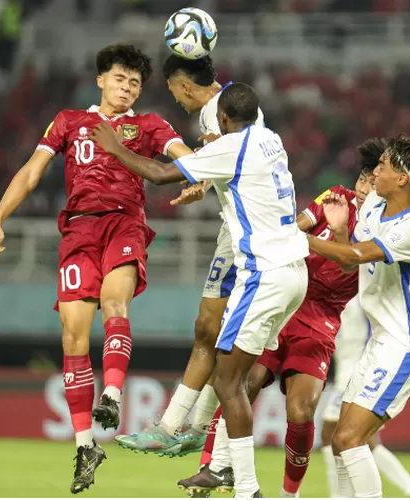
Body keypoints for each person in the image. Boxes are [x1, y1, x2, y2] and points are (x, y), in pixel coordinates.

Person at [0, 44, 194, 494]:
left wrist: (195, 180)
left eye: (135, 83)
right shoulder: (68, 122)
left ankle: (112, 396)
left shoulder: (148, 125)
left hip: (125, 222)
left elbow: (186, 157)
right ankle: (85, 447)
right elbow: (31, 172)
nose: (127, 87)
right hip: (78, 231)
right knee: (73, 335)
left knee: (115, 303)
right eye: (120, 79)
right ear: (101, 80)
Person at [91, 82, 309, 498]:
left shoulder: (231, 147)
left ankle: (244, 486)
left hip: (264, 273)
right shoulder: (270, 139)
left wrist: (115, 147)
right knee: (238, 379)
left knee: (228, 382)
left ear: (224, 119)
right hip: (295, 273)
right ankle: (219, 462)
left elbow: (159, 174)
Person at [176, 139, 382, 498]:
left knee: (301, 411)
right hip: (286, 303)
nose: (364, 189)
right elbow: (293, 226)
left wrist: (337, 231)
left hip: (321, 321)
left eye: (372, 184)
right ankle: (214, 466)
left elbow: (349, 262)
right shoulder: (335, 196)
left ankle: (289, 494)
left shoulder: (383, 227)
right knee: (241, 379)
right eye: (363, 180)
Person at [115, 55, 265, 458]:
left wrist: (113, 147)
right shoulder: (232, 107)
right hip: (236, 230)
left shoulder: (221, 113)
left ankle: (190, 433)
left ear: (182, 86)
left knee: (217, 339)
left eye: (172, 90)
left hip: (247, 239)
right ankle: (189, 429)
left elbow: (168, 172)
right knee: (211, 332)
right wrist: (202, 181)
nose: (176, 100)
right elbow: (220, 167)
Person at [307, 134, 410, 498]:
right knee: (340, 439)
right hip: (381, 341)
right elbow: (351, 261)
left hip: (406, 346)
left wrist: (293, 236)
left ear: (402, 179)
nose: (374, 171)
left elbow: (352, 257)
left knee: (349, 437)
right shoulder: (374, 207)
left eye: (383, 165)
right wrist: (336, 231)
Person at [321, 297, 410, 499]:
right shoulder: (337, 292)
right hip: (347, 368)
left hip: (358, 367)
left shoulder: (362, 294)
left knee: (338, 434)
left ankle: (340, 495)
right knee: (358, 439)